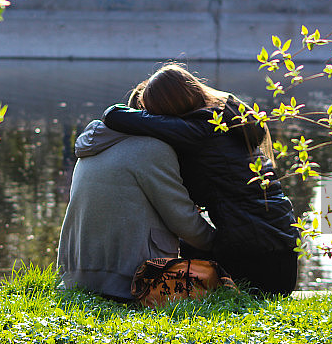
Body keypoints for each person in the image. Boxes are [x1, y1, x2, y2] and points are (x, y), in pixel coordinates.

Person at [102, 64, 299, 296]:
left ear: (165, 109)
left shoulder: (197, 130)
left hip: (256, 263)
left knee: (177, 247)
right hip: (284, 257)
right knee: (190, 240)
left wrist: (149, 119)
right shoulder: (225, 119)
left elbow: (113, 115)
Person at [56, 84, 215, 301]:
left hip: (76, 277)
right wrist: (220, 243)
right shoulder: (152, 148)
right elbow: (183, 220)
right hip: (132, 280)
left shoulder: (94, 143)